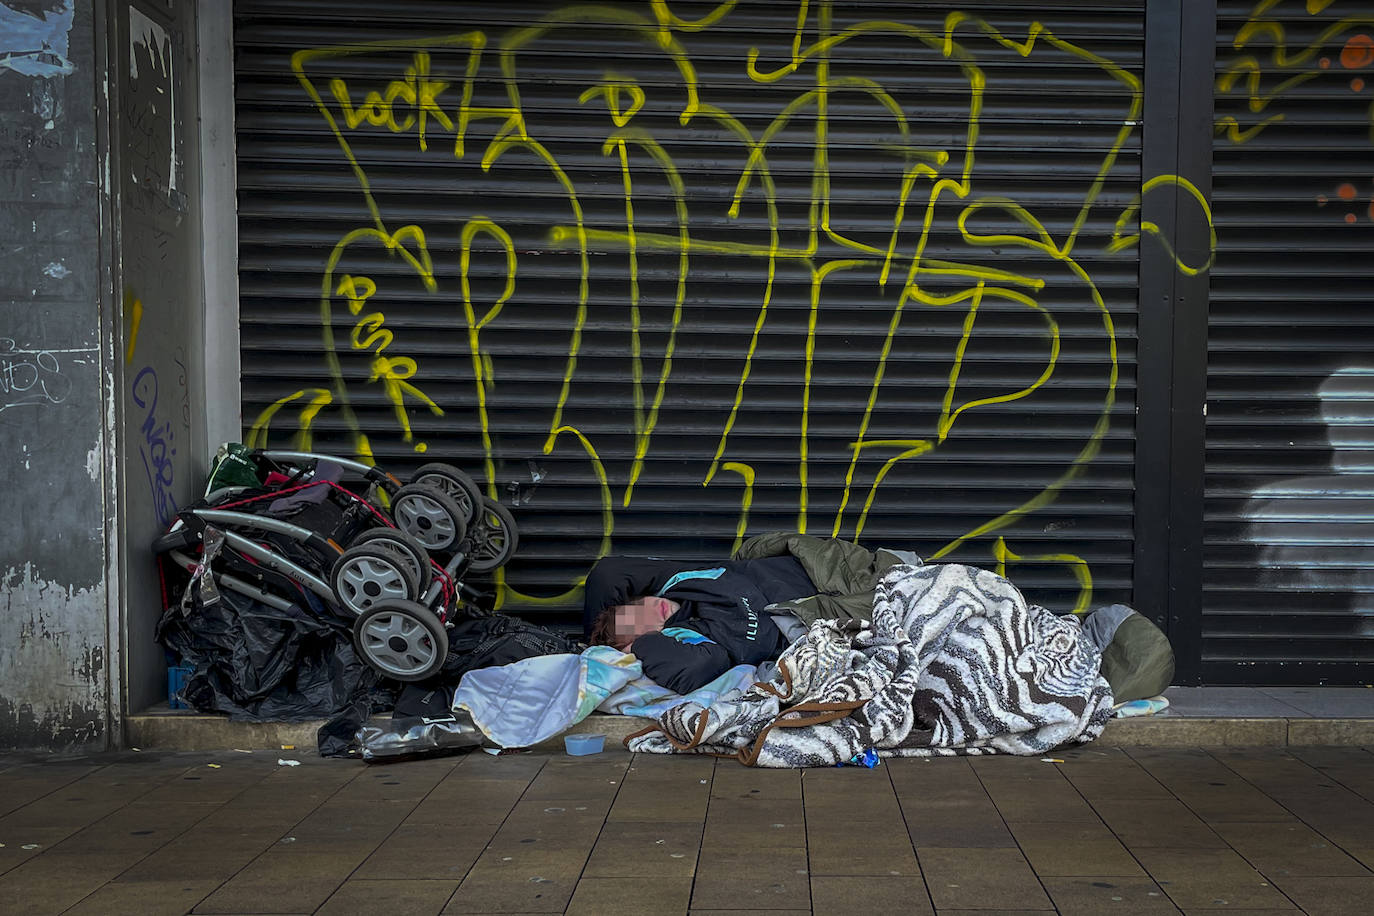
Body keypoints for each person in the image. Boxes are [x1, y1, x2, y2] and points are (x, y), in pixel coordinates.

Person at [583, 553, 819, 694]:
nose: (651, 611)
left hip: (804, 569)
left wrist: (593, 643)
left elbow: (608, 573)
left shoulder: (676, 581)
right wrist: (633, 648)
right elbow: (700, 665)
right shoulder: (695, 638)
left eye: (635, 609)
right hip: (814, 609)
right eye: (640, 629)